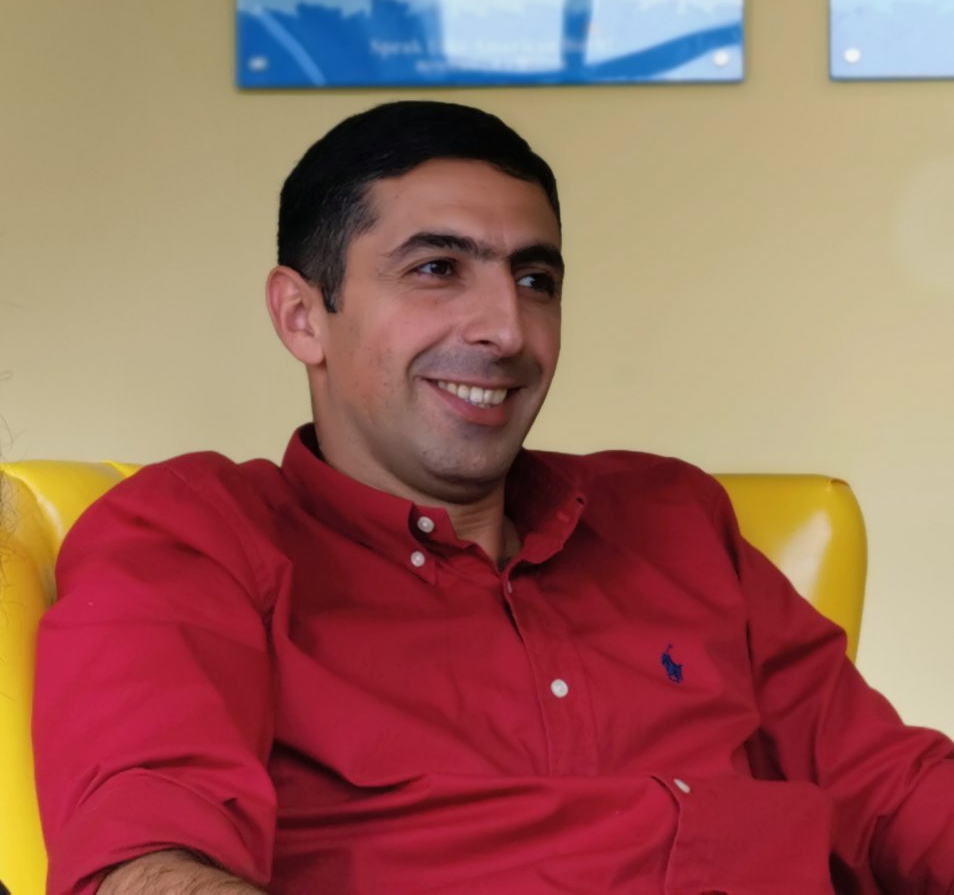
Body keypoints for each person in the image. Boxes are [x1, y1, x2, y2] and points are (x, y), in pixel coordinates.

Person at [34, 101, 954, 894]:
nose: (507, 329)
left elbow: (893, 793)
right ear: (302, 315)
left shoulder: (672, 517)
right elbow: (145, 863)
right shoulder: (194, 532)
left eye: (535, 280)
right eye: (437, 269)